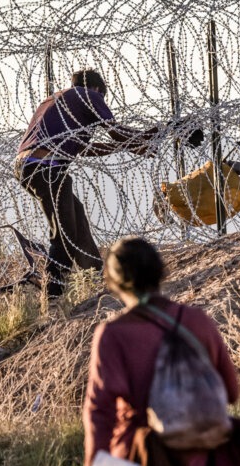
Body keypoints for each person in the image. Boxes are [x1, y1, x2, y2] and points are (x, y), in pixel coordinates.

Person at [82, 236, 240, 466]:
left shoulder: (112, 335)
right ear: (159, 272)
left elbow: (100, 411)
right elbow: (231, 391)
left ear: (113, 280)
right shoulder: (197, 321)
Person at [16, 70, 161, 302]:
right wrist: (149, 137)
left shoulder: (58, 101)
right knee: (65, 234)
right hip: (47, 168)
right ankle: (53, 294)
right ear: (97, 90)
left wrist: (134, 144)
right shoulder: (88, 95)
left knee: (76, 215)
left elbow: (85, 149)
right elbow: (116, 133)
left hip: (31, 165)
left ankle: (93, 274)